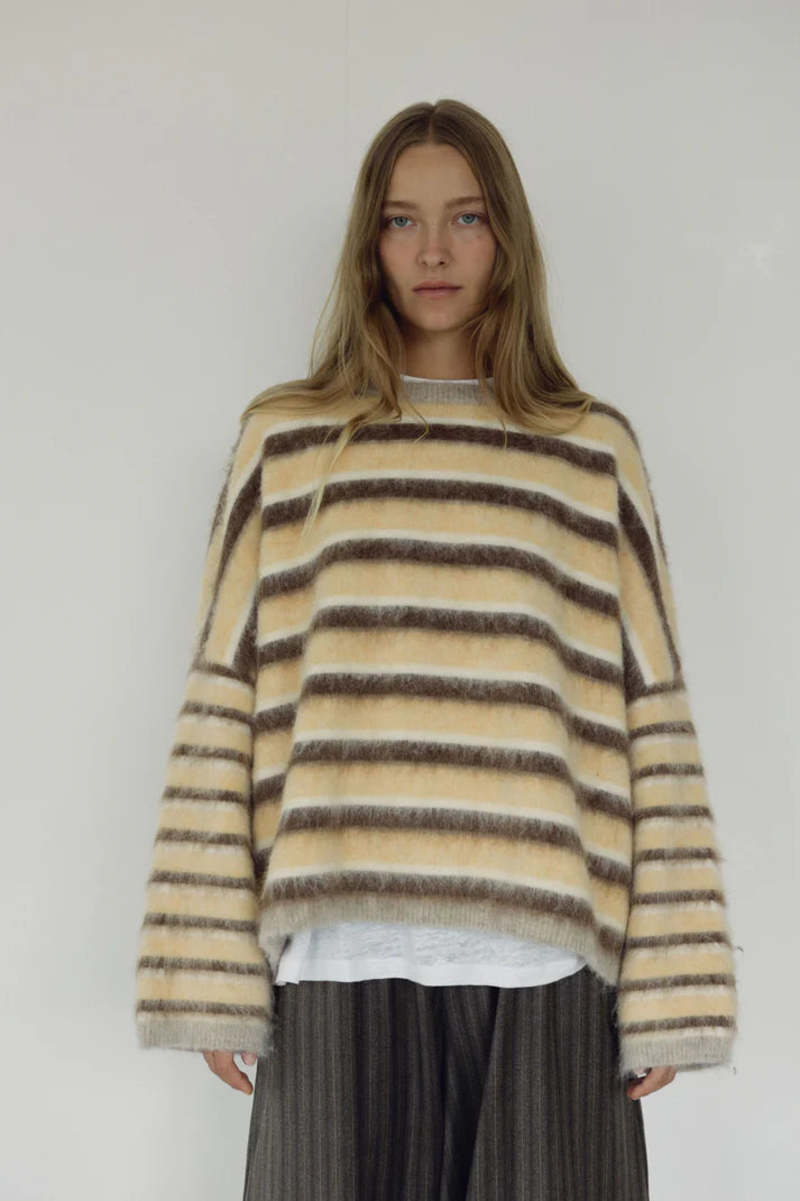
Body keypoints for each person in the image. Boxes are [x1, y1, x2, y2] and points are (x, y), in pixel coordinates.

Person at [134, 99, 738, 1200]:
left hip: (548, 970)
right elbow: (226, 697)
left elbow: (650, 712)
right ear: (369, 241)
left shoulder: (587, 452)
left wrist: (674, 980)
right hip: (338, 961)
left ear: (505, 234)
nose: (432, 252)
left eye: (464, 217)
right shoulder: (289, 442)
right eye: (401, 220)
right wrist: (206, 965)